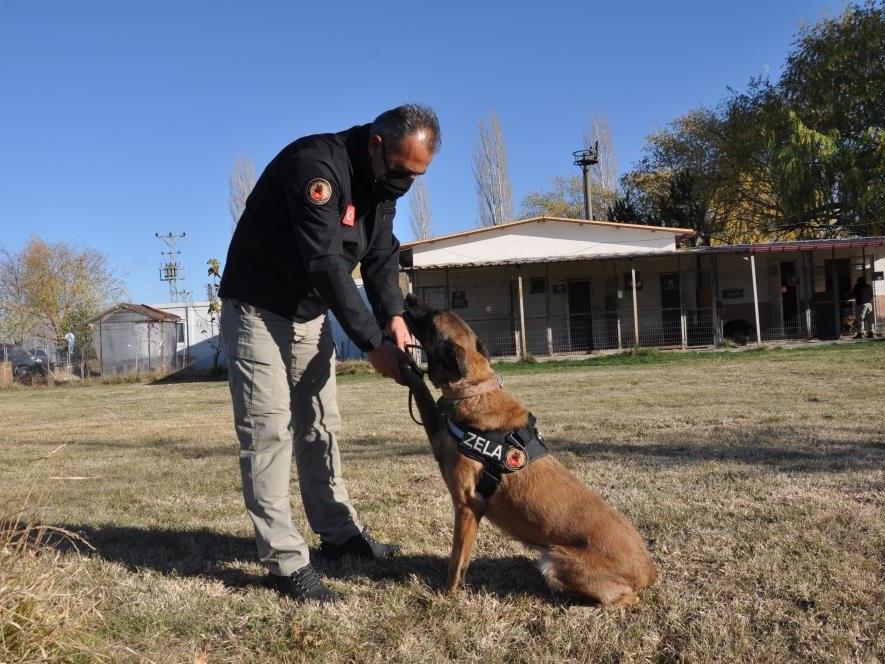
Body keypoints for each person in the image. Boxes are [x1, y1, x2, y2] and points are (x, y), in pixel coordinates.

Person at [217, 104, 439, 603]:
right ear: (377, 146)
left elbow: (380, 254)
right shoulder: (315, 167)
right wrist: (373, 344)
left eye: (417, 176)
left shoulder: (383, 184)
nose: (406, 184)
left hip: (307, 314)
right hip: (258, 308)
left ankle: (340, 537)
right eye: (403, 171)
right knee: (268, 430)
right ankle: (285, 562)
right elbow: (326, 263)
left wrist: (394, 316)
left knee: (320, 423)